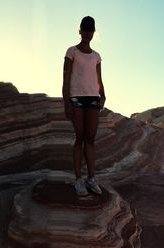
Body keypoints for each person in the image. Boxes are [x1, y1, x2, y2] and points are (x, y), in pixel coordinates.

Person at [62, 16, 106, 196]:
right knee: (79, 137)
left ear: (93, 32)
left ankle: (91, 178)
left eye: (91, 30)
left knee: (91, 138)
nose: (88, 33)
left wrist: (103, 94)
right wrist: (66, 103)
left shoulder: (96, 56)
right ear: (79, 30)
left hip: (93, 98)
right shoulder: (71, 51)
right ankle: (78, 179)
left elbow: (99, 79)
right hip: (77, 98)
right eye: (85, 29)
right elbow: (65, 78)